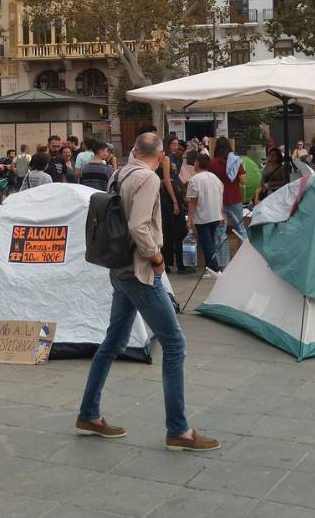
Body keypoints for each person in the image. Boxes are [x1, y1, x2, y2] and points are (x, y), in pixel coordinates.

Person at [75, 132, 219, 451]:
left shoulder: (120, 173)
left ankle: (88, 413)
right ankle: (178, 430)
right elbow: (139, 225)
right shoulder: (148, 179)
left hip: (119, 267)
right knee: (174, 344)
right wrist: (155, 257)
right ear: (162, 155)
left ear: (136, 150)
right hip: (139, 271)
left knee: (112, 342)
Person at [187, 151, 225, 277]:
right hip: (214, 214)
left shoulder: (194, 180)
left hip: (202, 216)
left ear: (197, 163)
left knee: (206, 244)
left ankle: (215, 268)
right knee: (210, 242)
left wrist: (189, 218)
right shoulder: (216, 179)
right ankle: (210, 268)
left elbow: (193, 201)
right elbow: (220, 197)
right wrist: (220, 214)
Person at [208, 136, 247, 241]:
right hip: (234, 198)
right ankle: (245, 254)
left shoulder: (211, 163)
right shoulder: (236, 162)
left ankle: (223, 257)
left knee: (221, 230)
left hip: (218, 200)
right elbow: (243, 181)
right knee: (240, 228)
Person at [159, 136, 189, 274]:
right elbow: (167, 180)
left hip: (170, 194)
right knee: (177, 229)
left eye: (177, 145)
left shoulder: (172, 158)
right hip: (169, 196)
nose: (176, 147)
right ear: (167, 145)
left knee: (169, 230)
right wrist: (175, 201)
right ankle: (178, 264)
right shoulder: (166, 158)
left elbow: (174, 179)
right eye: (173, 144)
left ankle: (169, 262)